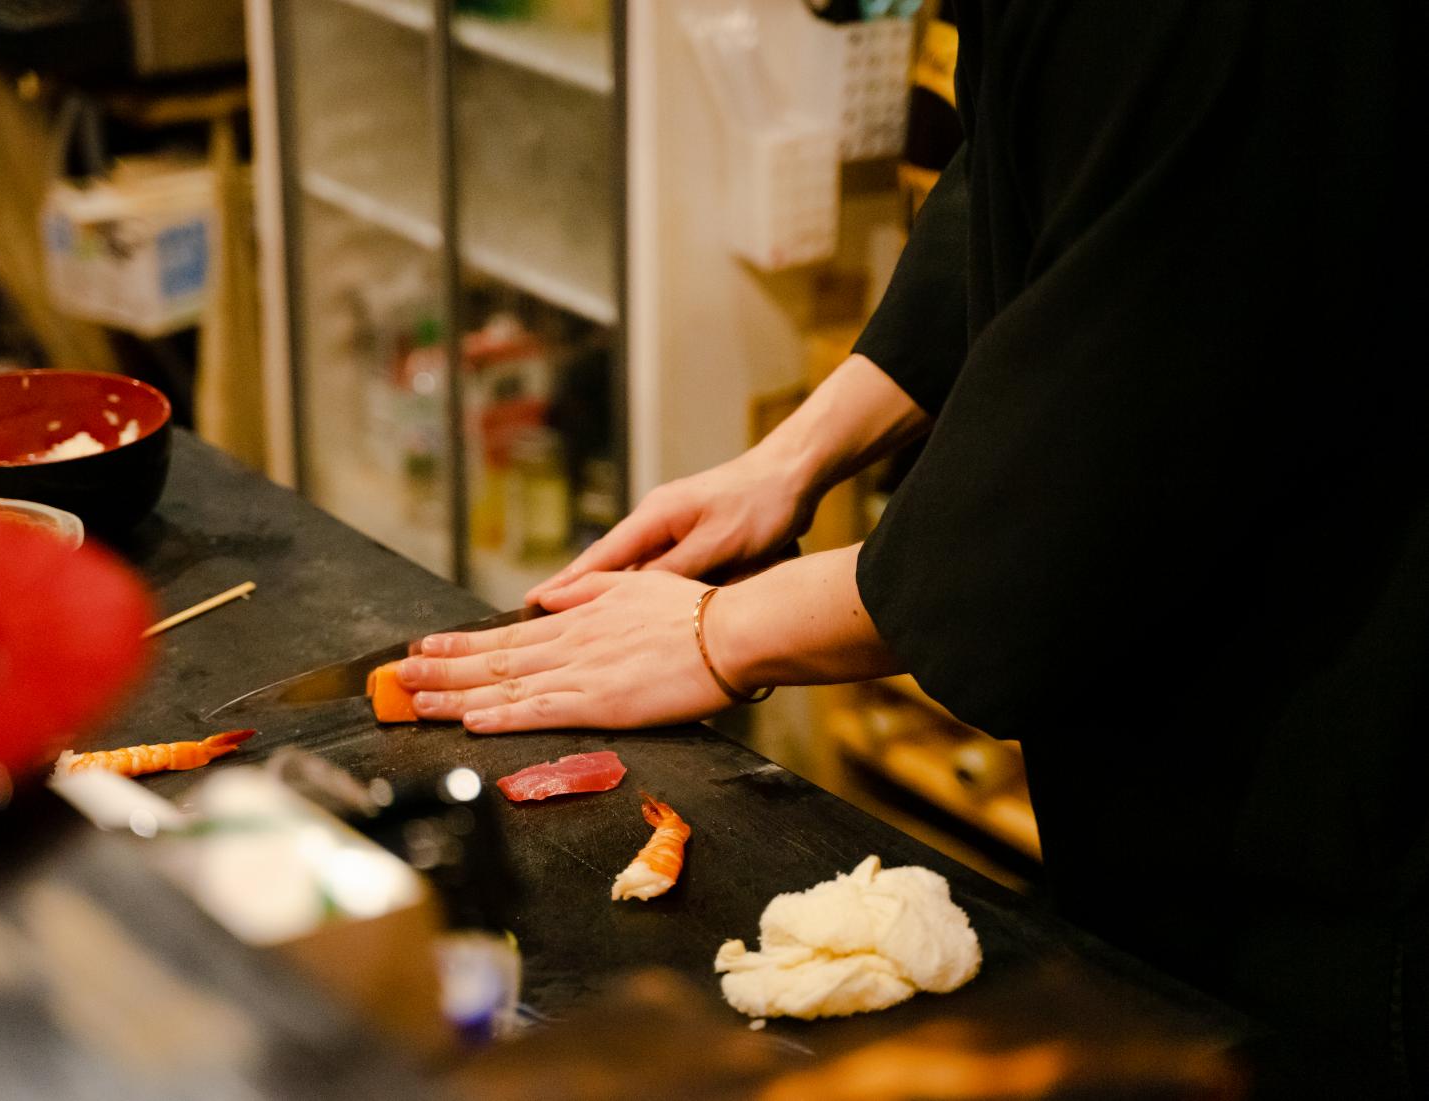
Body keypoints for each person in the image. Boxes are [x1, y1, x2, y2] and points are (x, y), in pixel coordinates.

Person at [398, 1, 1426, 1094]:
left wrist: (719, 632)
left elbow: (1069, 515)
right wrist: (790, 457)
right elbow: (1046, 173)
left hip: (1352, 804)